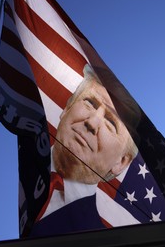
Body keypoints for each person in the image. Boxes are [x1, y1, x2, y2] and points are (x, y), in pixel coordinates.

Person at [30, 65, 138, 237]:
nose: (92, 123)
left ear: (122, 161)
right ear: (66, 108)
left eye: (111, 123)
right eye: (89, 103)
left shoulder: (94, 236)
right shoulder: (26, 159)